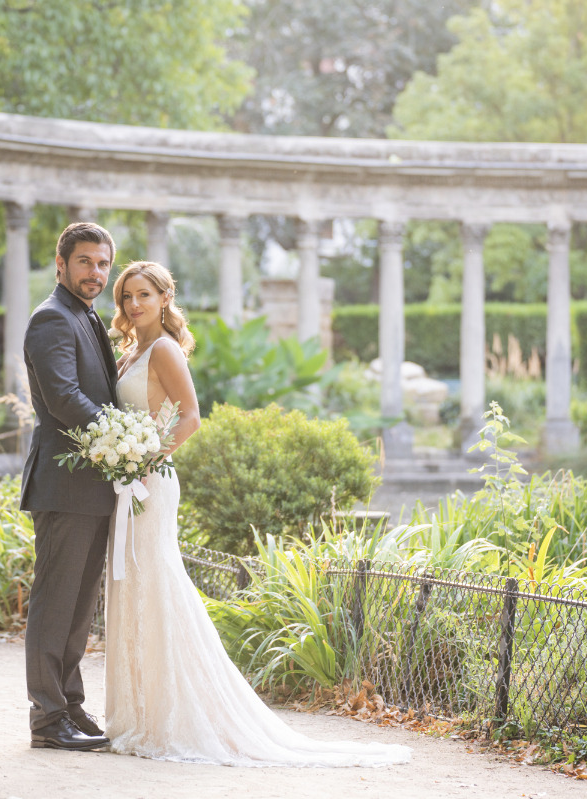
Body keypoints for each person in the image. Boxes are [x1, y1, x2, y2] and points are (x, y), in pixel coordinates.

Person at [102, 261, 410, 767]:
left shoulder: (163, 350)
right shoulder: (129, 350)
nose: (134, 305)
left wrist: (147, 460)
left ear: (164, 299)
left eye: (143, 295)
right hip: (127, 481)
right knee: (131, 587)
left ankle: (172, 717)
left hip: (151, 483)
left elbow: (192, 416)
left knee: (155, 584)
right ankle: (138, 714)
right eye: (127, 297)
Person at [20, 222, 119, 752]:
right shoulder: (51, 319)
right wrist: (122, 438)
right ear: (60, 264)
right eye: (85, 262)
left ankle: (70, 704)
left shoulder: (85, 315)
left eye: (103, 264)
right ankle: (46, 719)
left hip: (95, 487)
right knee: (55, 603)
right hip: (64, 484)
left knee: (80, 607)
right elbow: (63, 398)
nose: (95, 273)